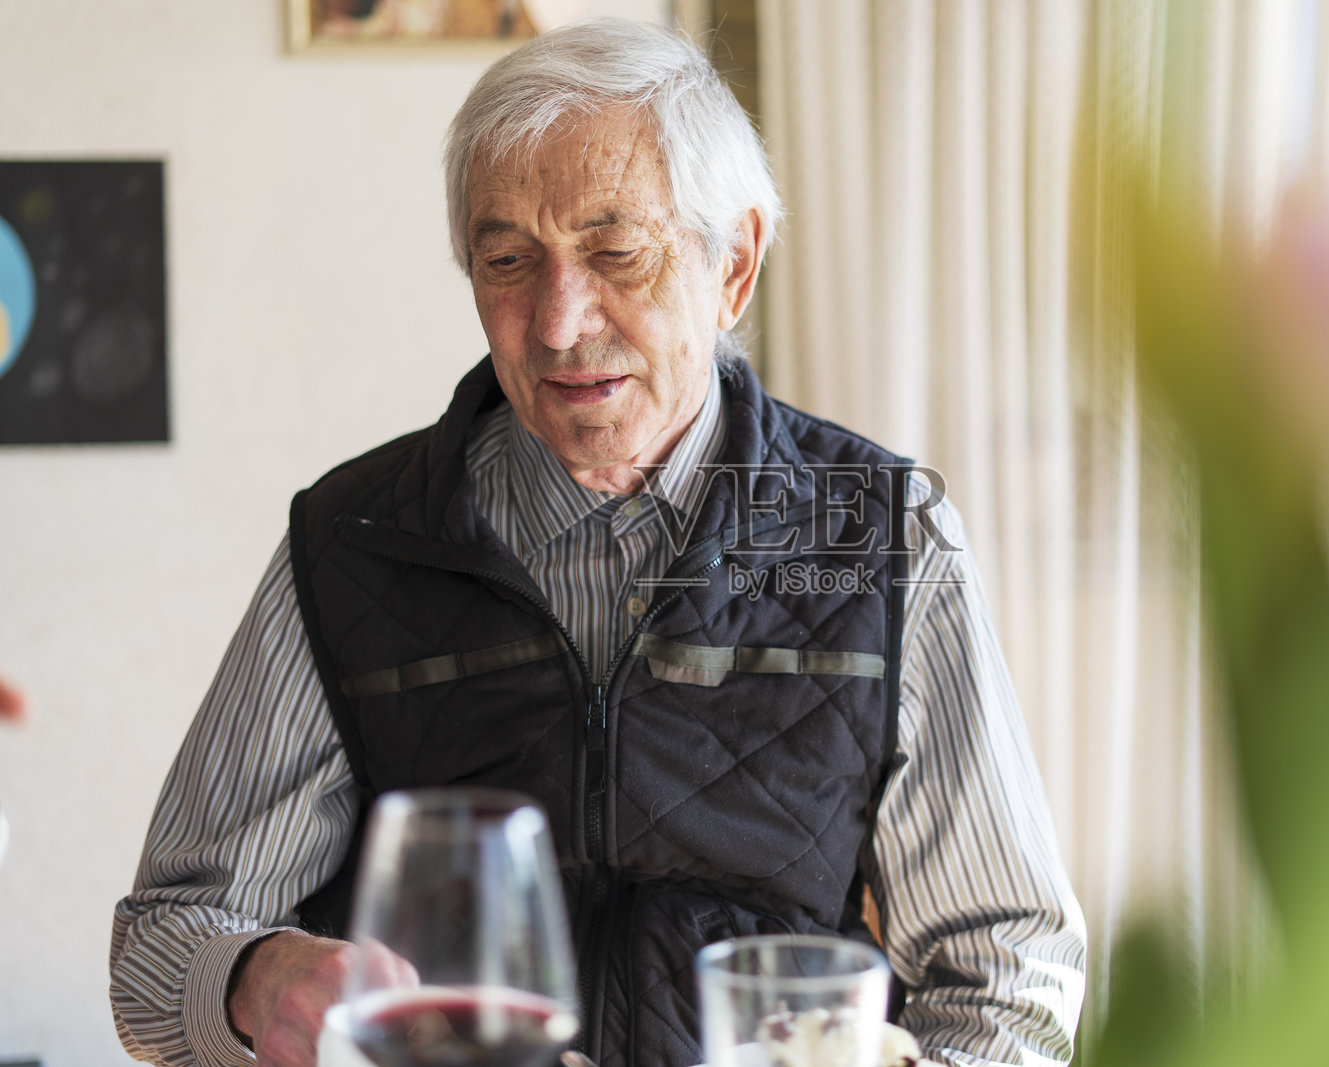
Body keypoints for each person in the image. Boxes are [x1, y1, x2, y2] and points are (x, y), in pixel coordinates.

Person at [110, 18, 1085, 1067]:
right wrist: (259, 977)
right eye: (508, 261)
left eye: (616, 251)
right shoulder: (354, 540)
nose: (561, 320)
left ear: (735, 267)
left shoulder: (885, 538)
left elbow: (1008, 966)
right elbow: (159, 945)